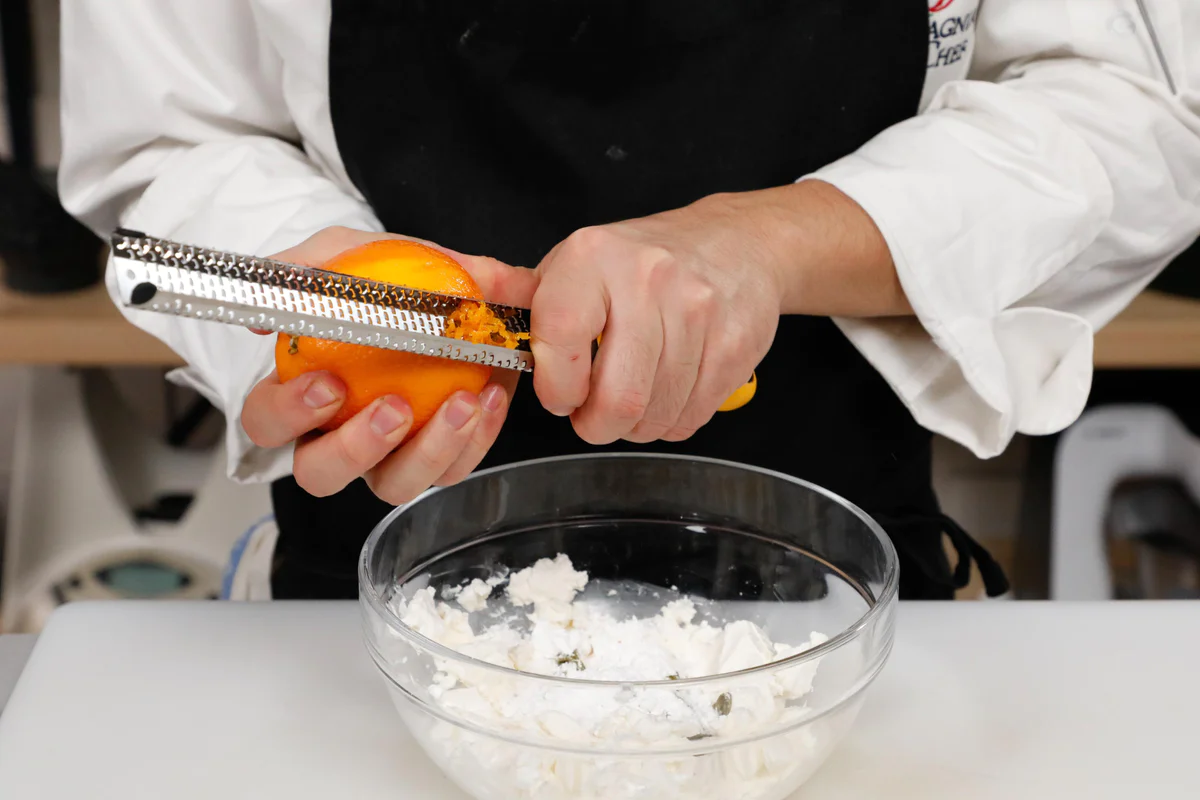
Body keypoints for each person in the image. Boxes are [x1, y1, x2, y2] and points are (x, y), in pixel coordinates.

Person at [59, 1, 1200, 601]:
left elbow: (1139, 106)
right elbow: (169, 134)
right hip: (359, 610)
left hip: (838, 593)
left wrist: (769, 243)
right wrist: (328, 289)